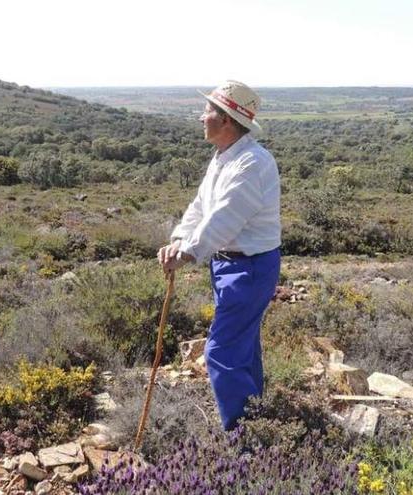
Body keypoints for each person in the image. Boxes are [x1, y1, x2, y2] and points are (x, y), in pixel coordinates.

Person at [158, 80, 281, 430]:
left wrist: (187, 253)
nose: (201, 117)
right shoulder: (225, 158)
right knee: (242, 345)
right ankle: (258, 416)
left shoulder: (251, 164)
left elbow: (224, 218)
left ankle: (243, 438)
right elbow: (201, 207)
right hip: (230, 264)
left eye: (208, 111)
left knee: (221, 352)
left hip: (249, 267)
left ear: (226, 119)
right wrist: (180, 239)